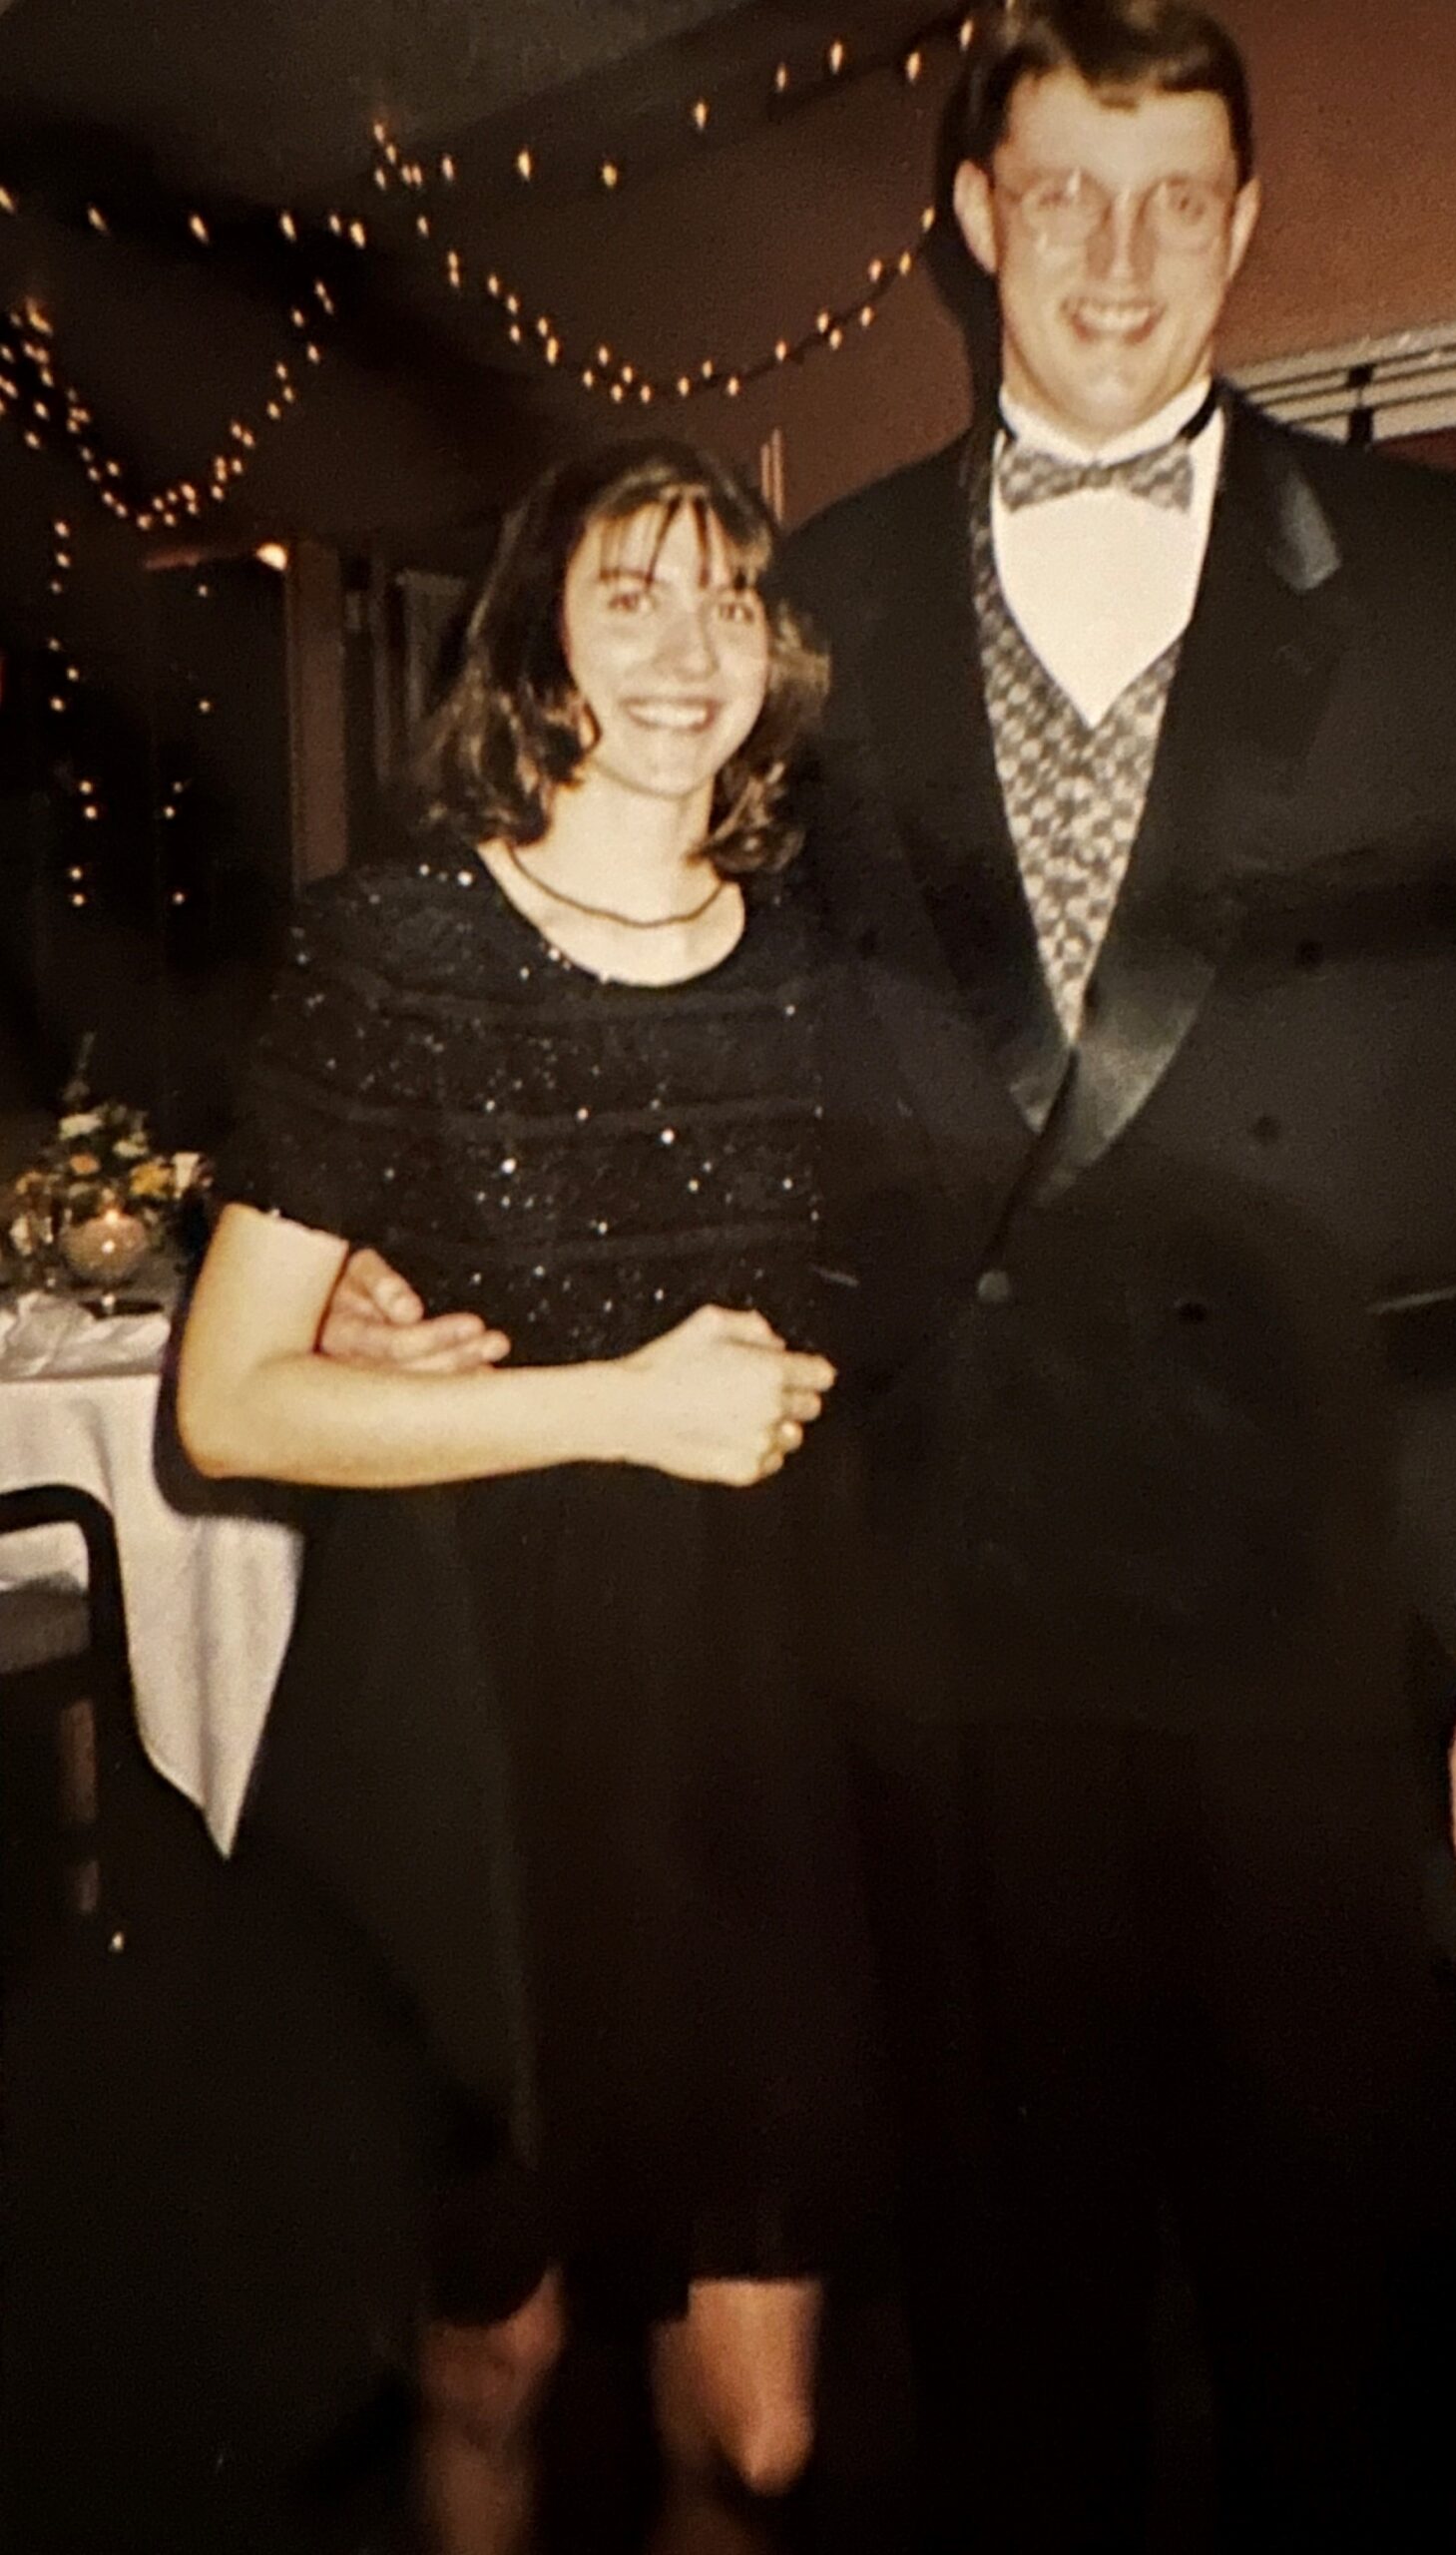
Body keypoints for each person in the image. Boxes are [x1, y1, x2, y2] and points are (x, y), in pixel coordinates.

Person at [324, 4, 1456, 2544]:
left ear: (1249, 219)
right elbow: (697, 1032)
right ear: (974, 217)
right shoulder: (812, 602)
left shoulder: (1452, 584)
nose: (1123, 261)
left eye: (1179, 198)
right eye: (1065, 194)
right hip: (938, 1647)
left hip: (1336, 1642)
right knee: (1013, 2341)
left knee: (1345, 2333)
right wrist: (439, 1277)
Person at [177, 440, 879, 2555]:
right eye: (629, 594)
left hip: (749, 1726)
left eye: (727, 602)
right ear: (535, 649)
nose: (685, 647)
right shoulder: (393, 946)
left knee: (759, 2435)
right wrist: (615, 1404)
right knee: (498, 2346)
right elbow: (230, 1406)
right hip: (462, 1721)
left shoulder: (829, 965)